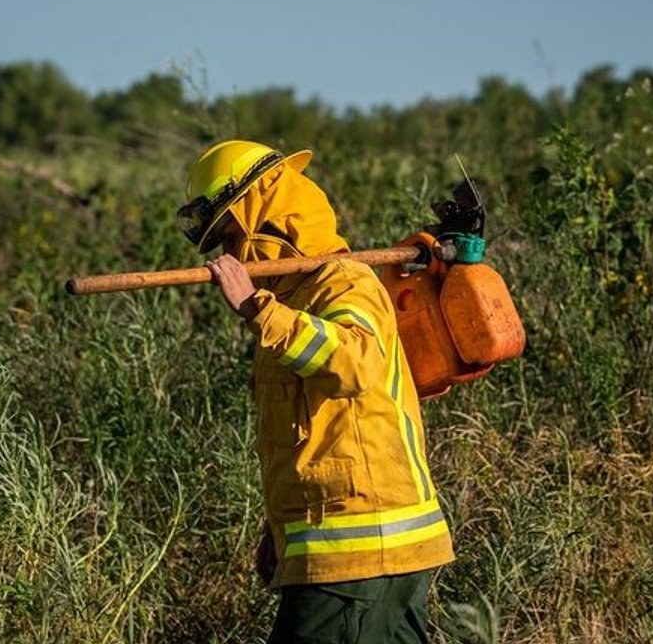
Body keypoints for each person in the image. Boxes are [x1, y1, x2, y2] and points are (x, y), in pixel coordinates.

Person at [178, 140, 455, 643]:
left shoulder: (343, 284)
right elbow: (306, 432)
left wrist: (258, 309)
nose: (226, 255)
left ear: (265, 216)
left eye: (227, 235)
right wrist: (281, 529)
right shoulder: (295, 297)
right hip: (347, 548)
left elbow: (355, 365)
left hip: (361, 545)